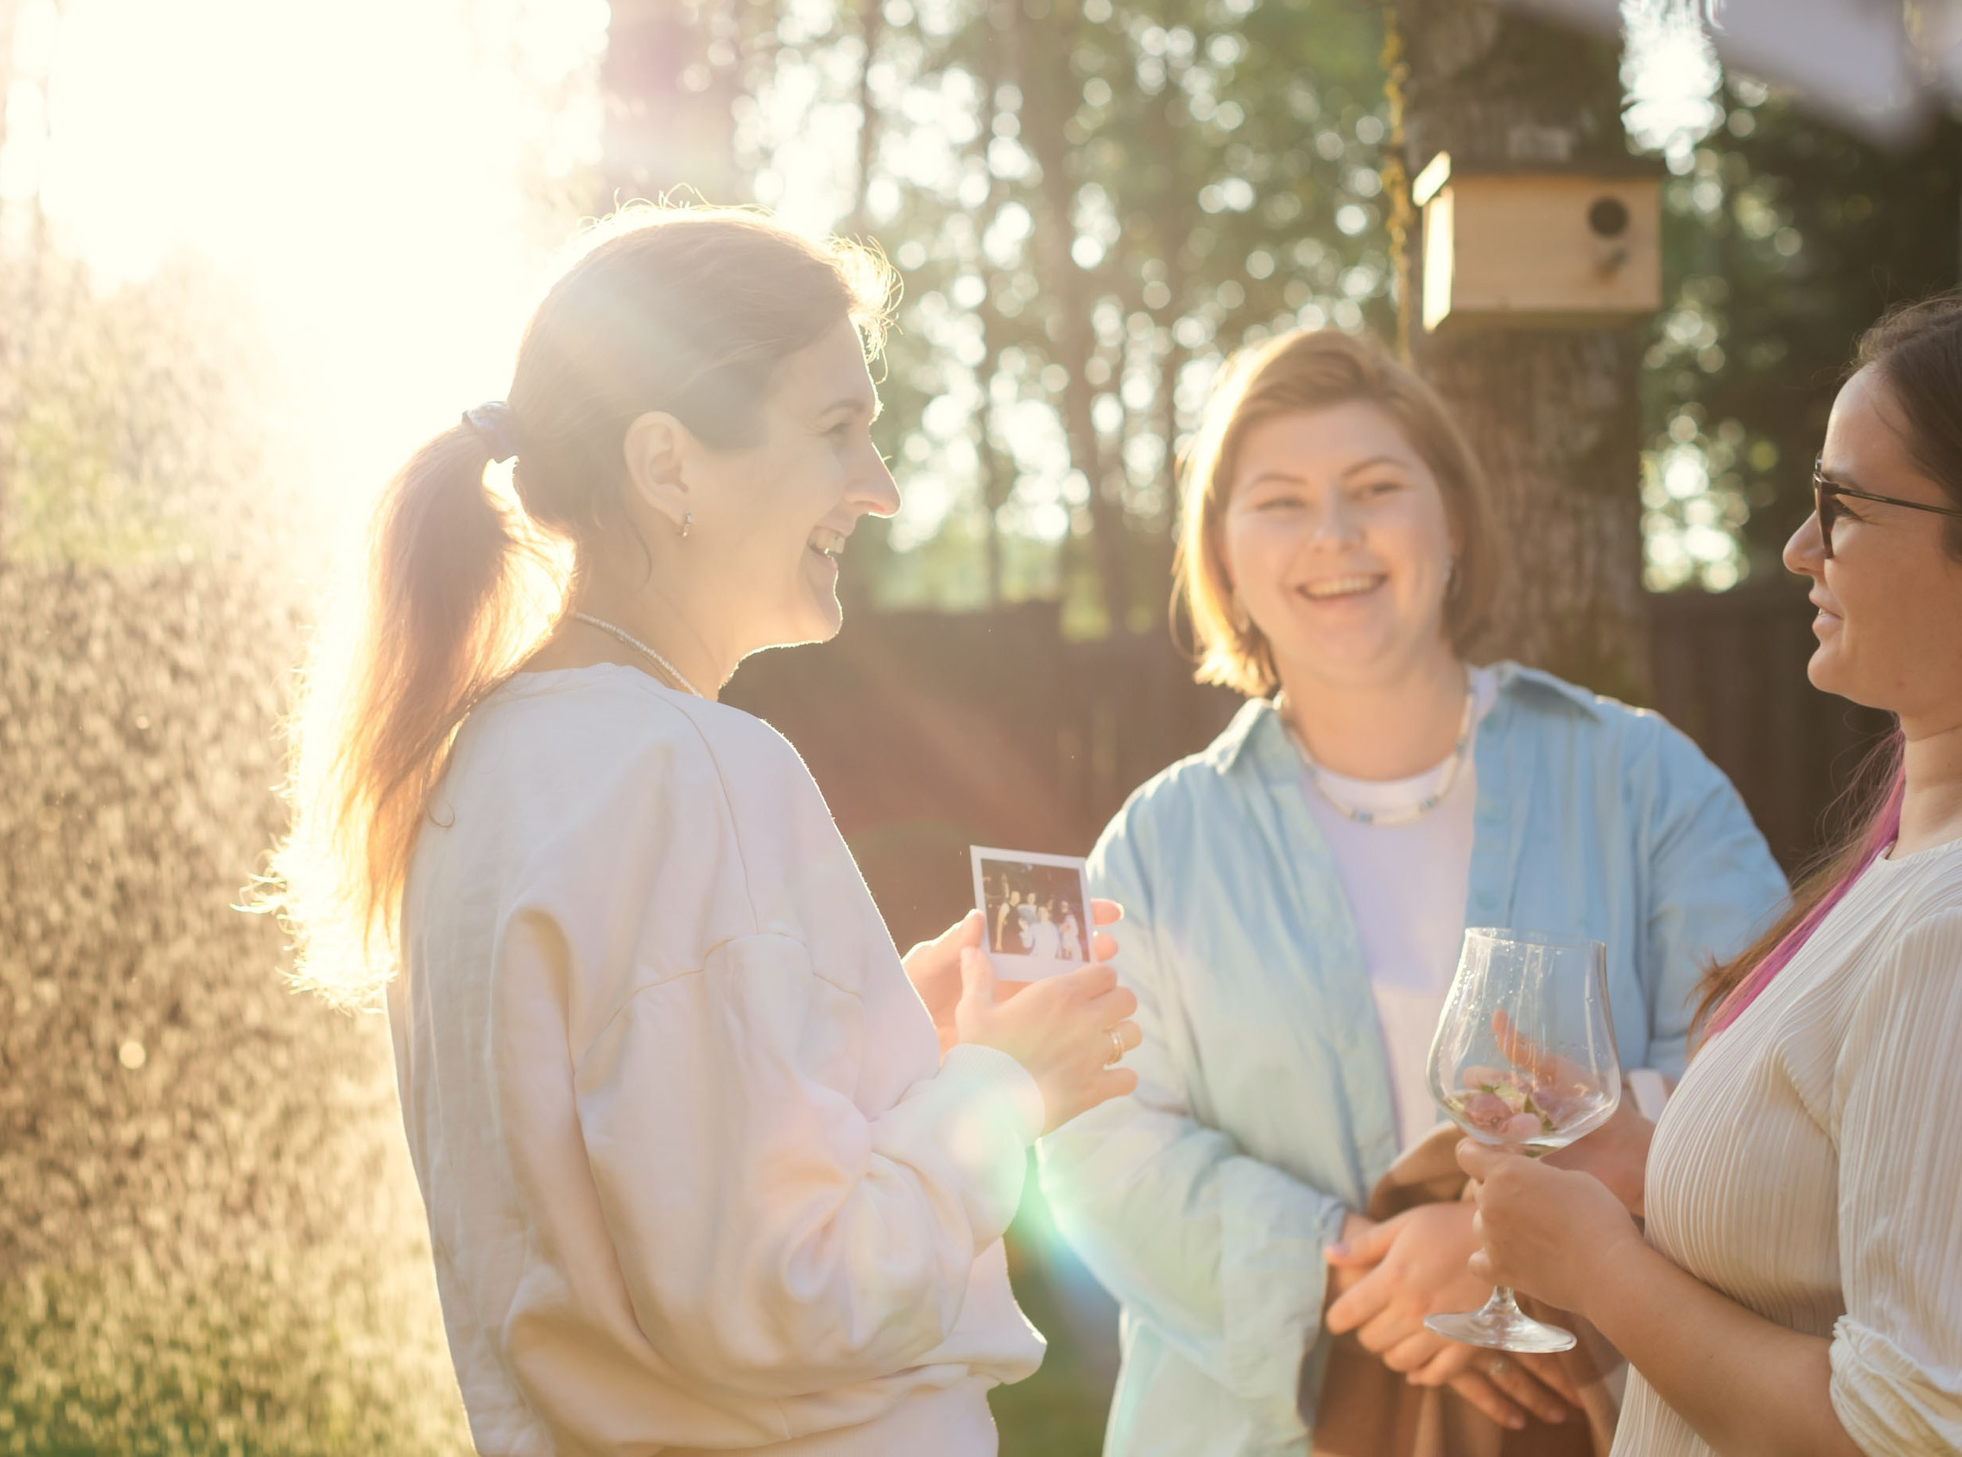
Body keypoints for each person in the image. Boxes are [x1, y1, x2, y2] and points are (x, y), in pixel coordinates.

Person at [266, 205, 1144, 1456]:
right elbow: (791, 1295)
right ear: (667, 464)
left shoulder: (480, 766)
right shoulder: (691, 766)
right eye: (839, 429)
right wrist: (1005, 1088)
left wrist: (893, 1033)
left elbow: (653, 1172)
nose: (880, 490)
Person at [1037, 327, 1788, 1455]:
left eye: (1375, 488)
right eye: (1278, 501)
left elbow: (1766, 1079)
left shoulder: (1640, 780)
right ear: (1224, 556)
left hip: (1601, 1416)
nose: (1332, 535)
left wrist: (1495, 1240)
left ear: (1454, 525)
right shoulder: (1155, 843)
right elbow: (1095, 1136)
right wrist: (1354, 1265)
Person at [1462, 296, 1962, 1455]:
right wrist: (1648, 1165)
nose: (1798, 546)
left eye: (1841, 506)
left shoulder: (1946, 925)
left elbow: (1908, 1428)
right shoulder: (1900, 872)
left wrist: (1593, 1265)